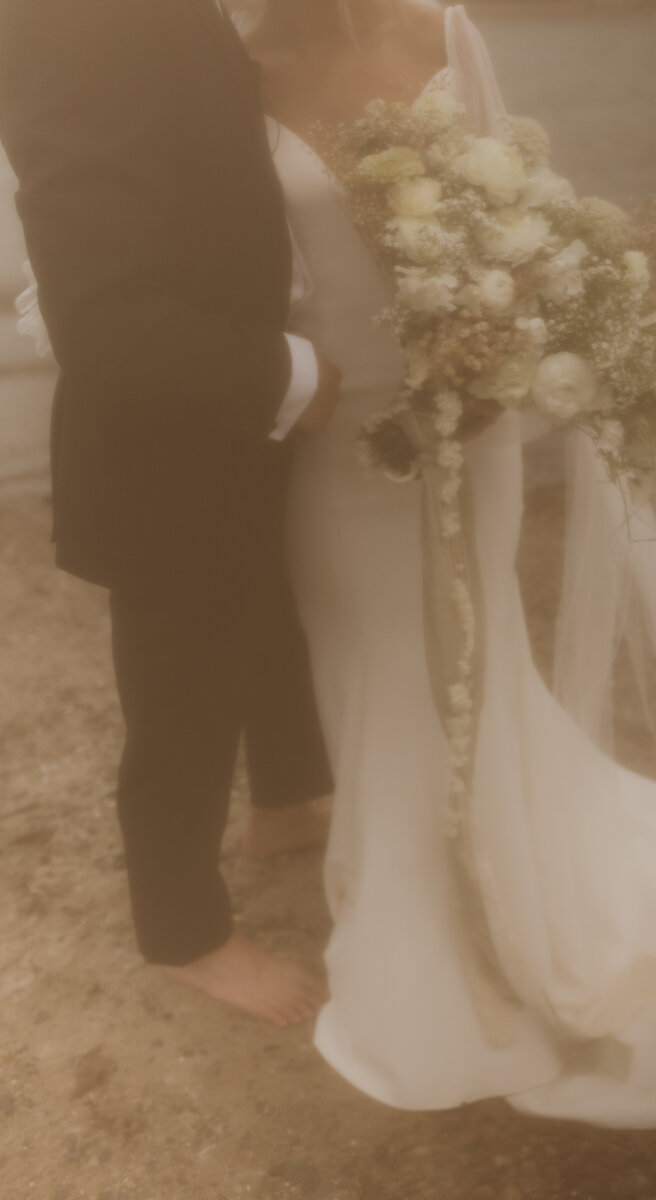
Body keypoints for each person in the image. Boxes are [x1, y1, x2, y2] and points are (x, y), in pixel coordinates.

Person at [250, 0, 656, 1127]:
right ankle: (421, 928)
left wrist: (503, 330)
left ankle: (502, 872)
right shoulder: (230, 64)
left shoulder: (444, 32)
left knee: (480, 652)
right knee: (378, 681)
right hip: (336, 442)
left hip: (474, 416)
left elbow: (512, 205)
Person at [0, 0, 338, 1027]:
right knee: (182, 687)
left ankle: (283, 802)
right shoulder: (58, 21)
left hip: (234, 399)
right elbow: (99, 316)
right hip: (165, 431)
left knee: (267, 612)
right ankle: (181, 930)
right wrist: (291, 371)